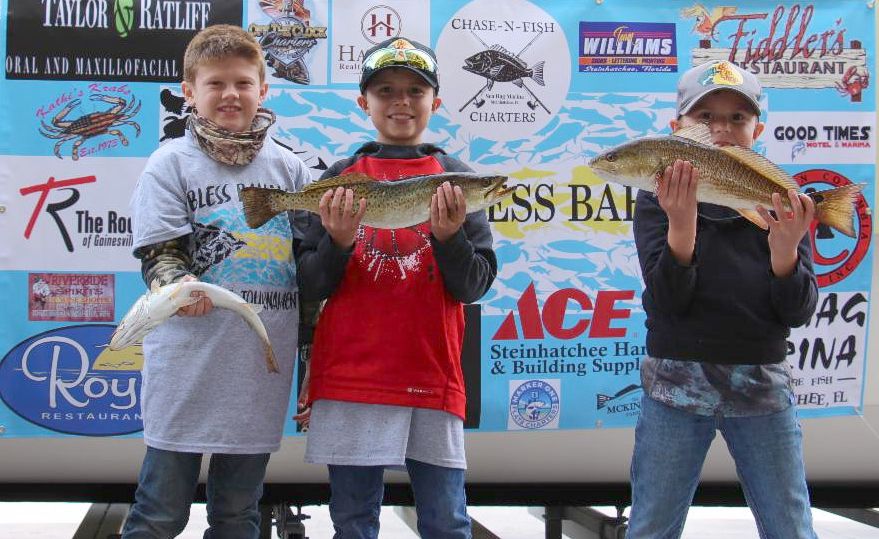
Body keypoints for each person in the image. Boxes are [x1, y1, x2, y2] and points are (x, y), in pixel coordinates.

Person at [294, 37, 497, 538]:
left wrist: (449, 238)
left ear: (436, 102)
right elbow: (309, 283)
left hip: (432, 373)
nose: (401, 102)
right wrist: (338, 242)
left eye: (415, 90)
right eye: (385, 90)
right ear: (363, 102)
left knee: (446, 520)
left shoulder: (458, 178)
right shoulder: (340, 176)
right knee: (353, 521)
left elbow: (473, 286)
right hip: (349, 375)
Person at [122, 24, 311, 538]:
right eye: (216, 83)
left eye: (243, 83)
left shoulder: (291, 169)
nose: (231, 94)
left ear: (262, 90)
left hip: (258, 369)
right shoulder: (169, 164)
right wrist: (180, 288)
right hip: (187, 364)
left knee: (238, 515)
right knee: (159, 513)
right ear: (190, 92)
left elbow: (310, 263)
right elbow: (159, 255)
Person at [627, 60, 819, 538]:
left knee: (790, 526)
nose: (722, 129)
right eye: (705, 116)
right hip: (673, 382)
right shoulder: (656, 197)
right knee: (651, 526)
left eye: (738, 117)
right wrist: (682, 224)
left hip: (762, 383)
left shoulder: (781, 196)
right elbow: (667, 302)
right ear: (677, 129)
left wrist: (784, 253)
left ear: (758, 129)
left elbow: (798, 310)